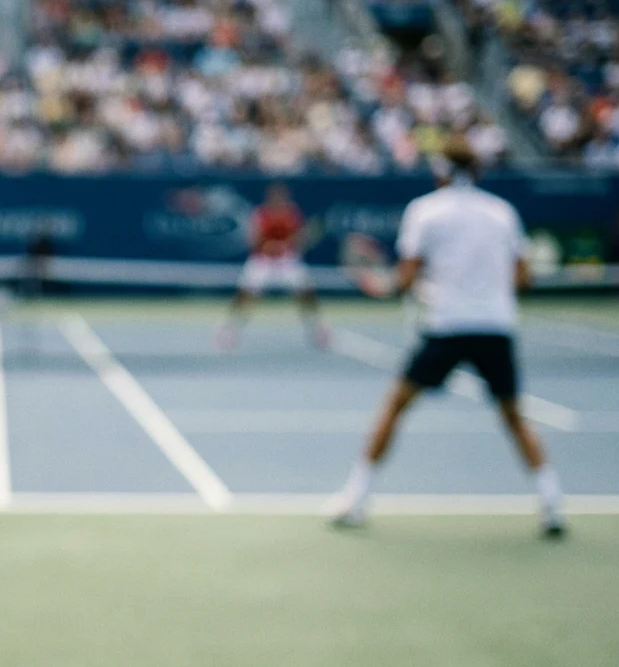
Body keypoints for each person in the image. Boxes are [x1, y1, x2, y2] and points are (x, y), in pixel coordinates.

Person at [330, 140, 567, 538]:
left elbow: (404, 280)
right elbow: (523, 278)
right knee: (514, 417)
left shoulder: (424, 212)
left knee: (394, 406)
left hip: (448, 328)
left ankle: (355, 500)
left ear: (441, 171)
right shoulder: (502, 212)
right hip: (496, 327)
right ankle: (552, 503)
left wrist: (394, 284)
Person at [217, 183, 331, 350]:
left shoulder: (292, 214)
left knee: (306, 290)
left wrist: (285, 246)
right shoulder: (260, 214)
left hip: (287, 260)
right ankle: (230, 329)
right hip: (262, 259)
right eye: (275, 196)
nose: (279, 199)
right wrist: (268, 246)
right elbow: (253, 238)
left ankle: (317, 327)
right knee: (245, 293)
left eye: (282, 196)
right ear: (269, 197)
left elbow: (299, 239)